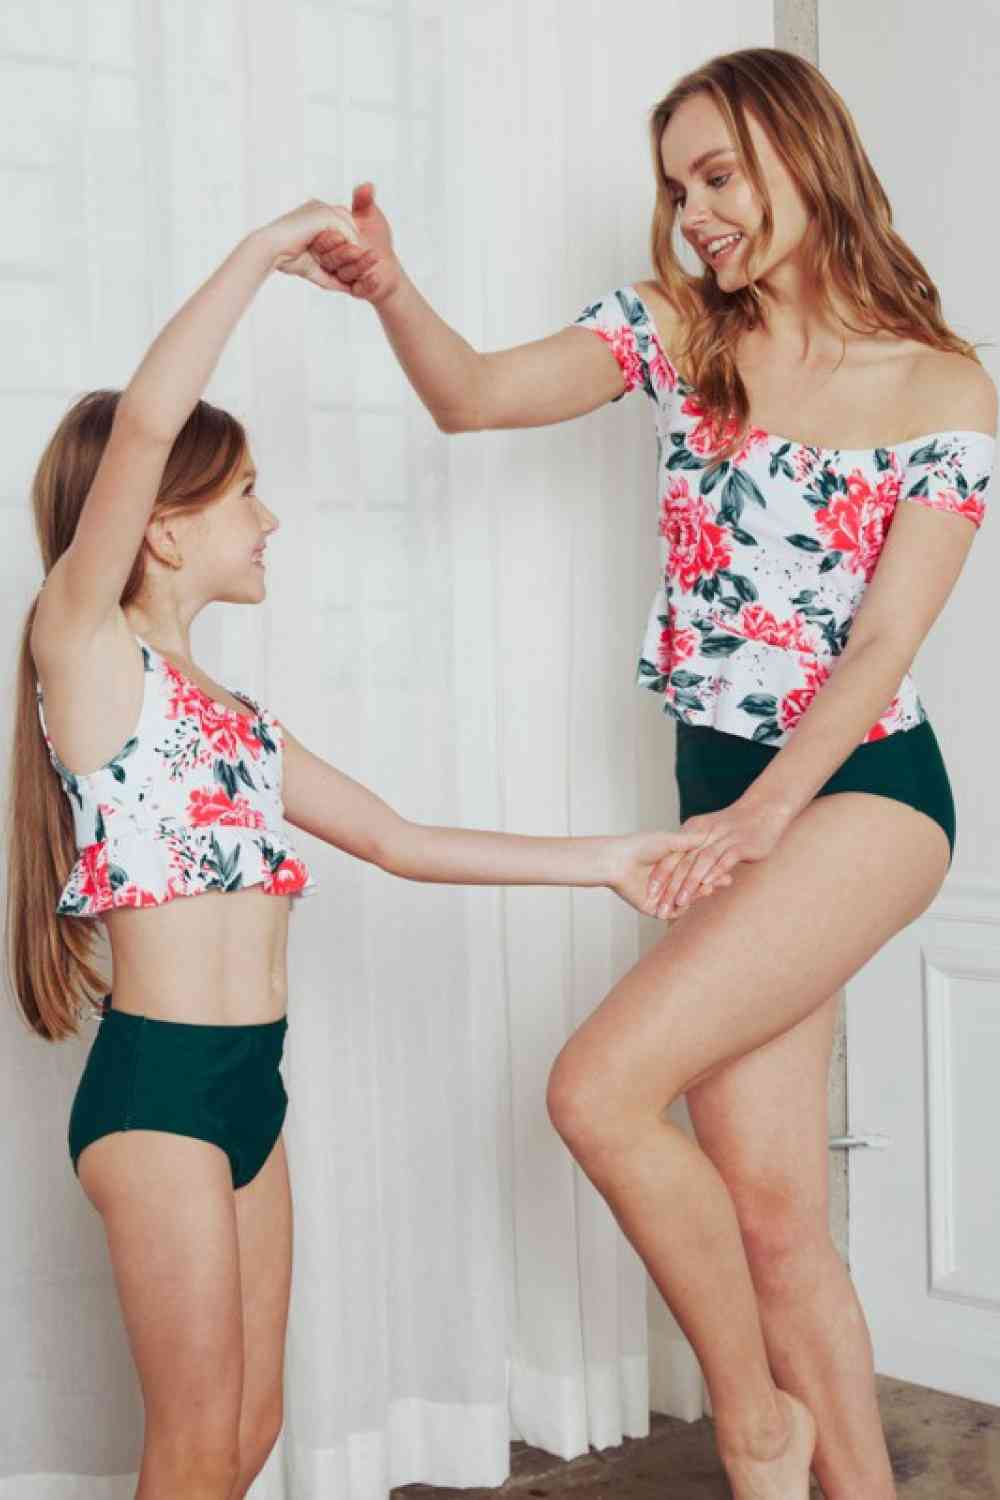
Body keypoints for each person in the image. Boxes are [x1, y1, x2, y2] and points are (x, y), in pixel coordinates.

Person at [310, 45, 997, 1500]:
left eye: (720, 176)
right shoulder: (681, 331)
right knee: (773, 1212)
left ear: (805, 153)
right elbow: (474, 397)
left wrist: (762, 816)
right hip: (730, 796)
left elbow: (882, 646)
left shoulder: (944, 386)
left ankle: (756, 1425)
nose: (696, 215)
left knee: (599, 1088)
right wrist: (390, 290)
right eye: (679, 188)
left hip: (866, 791)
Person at [3, 199, 723, 1500]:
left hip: (251, 1087)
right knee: (190, 1443)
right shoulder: (89, 657)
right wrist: (258, 255)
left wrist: (611, 858)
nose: (270, 520)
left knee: (249, 1431)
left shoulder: (235, 721)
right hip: (158, 1092)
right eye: (246, 495)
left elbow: (402, 840)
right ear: (161, 525)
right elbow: (150, 421)